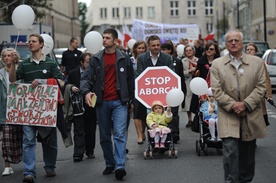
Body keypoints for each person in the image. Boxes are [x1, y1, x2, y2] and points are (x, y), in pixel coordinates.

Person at [210, 30, 267, 183]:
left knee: (248, 155)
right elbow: (216, 90)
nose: (233, 43)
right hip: (228, 114)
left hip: (250, 114)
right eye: (230, 41)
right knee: (230, 152)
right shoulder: (217, 64)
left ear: (242, 43)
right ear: (226, 44)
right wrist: (234, 105)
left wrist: (246, 104)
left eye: (236, 40)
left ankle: (245, 180)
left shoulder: (257, 62)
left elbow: (262, 86)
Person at [80, 28, 134, 180]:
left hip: (119, 102)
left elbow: (131, 81)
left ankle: (119, 166)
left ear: (115, 41)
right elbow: (86, 78)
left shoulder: (124, 58)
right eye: (103, 37)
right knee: (104, 136)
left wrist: (131, 100)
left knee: (119, 134)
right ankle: (110, 163)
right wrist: (86, 92)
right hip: (102, 102)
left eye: (107, 38)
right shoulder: (96, 58)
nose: (103, 40)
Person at [9, 34, 64, 183]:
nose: (30, 43)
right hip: (29, 110)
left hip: (46, 110)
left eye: (33, 41)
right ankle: (29, 172)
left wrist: (42, 82)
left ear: (41, 44)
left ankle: (50, 166)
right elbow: (13, 80)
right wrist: (14, 65)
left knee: (49, 140)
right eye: (29, 42)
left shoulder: (51, 64)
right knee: (28, 140)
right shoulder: (25, 64)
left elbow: (61, 82)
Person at [63, 53, 93, 162]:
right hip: (77, 106)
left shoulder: (94, 73)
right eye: (87, 62)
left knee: (90, 128)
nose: (89, 65)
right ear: (81, 62)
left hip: (90, 104)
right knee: (78, 129)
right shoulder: (73, 73)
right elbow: (66, 85)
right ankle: (78, 153)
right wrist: (71, 87)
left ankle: (90, 150)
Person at [0, 48, 23, 176]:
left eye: (9, 55)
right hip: (5, 110)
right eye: (5, 56)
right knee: (6, 139)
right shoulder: (0, 73)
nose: (7, 58)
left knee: (22, 137)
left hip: (21, 109)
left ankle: (27, 162)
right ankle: (7, 165)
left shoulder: (20, 70)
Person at [160, 42, 186, 143]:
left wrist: (183, 92)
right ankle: (163, 133)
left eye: (164, 49)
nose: (163, 51)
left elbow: (181, 78)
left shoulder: (178, 62)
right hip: (162, 91)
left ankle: (175, 133)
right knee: (163, 113)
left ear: (170, 50)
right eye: (162, 50)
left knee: (174, 113)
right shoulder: (159, 61)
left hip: (174, 92)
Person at [245, 42, 273, 126]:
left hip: (258, 93)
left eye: (251, 49)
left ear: (256, 51)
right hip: (245, 94)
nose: (249, 51)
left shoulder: (260, 62)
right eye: (247, 50)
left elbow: (266, 79)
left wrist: (268, 94)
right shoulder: (242, 62)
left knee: (259, 119)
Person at [130, 40, 148, 144]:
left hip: (145, 90)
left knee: (145, 114)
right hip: (135, 90)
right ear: (135, 49)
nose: (141, 50)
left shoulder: (147, 60)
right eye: (139, 48)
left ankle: (143, 131)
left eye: (143, 48)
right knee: (136, 113)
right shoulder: (131, 61)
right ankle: (139, 135)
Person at [182, 45, 198, 127]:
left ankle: (197, 118)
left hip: (197, 82)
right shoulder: (182, 61)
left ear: (193, 51)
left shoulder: (198, 60)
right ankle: (189, 119)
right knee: (188, 100)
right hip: (187, 82)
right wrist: (189, 71)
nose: (188, 52)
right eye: (187, 50)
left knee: (197, 99)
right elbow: (181, 73)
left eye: (190, 50)